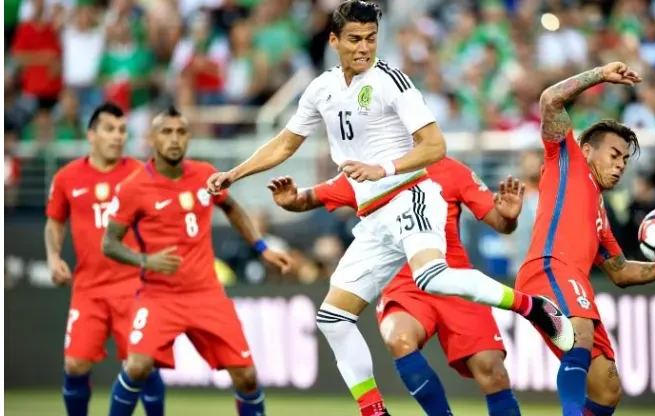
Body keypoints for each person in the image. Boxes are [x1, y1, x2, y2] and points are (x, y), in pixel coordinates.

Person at [207, 3, 574, 414]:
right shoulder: (321, 89)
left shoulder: (390, 80)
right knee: (332, 318)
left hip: (410, 195)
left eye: (371, 38)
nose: (364, 48)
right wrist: (235, 173)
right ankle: (374, 411)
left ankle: (531, 307)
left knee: (432, 276)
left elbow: (436, 145)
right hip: (375, 219)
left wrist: (382, 168)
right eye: (354, 39)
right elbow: (285, 143)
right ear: (334, 41)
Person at [516, 62, 655, 416]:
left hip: (573, 283)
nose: (620, 165)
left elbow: (621, 272)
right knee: (581, 334)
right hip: (548, 269)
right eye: (614, 155)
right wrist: (601, 75)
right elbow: (550, 100)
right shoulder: (567, 161)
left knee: (607, 389)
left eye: (625, 161)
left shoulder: (600, 216)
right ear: (588, 150)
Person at [267, 156, 527, 416]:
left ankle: (531, 310)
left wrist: (508, 218)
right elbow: (308, 198)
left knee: (493, 371)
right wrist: (290, 200)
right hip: (404, 285)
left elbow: (500, 222)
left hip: (454, 279)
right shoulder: (364, 171)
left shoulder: (449, 168)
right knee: (400, 339)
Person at [102, 107, 292, 416]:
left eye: (181, 132)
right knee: (137, 367)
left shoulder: (205, 174)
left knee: (247, 377)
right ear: (152, 138)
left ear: (189, 137)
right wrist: (145, 260)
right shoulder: (133, 188)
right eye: (166, 132)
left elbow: (231, 207)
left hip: (206, 294)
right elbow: (109, 243)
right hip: (159, 296)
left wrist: (262, 247)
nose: (174, 139)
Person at [45, 102, 166, 416]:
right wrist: (53, 257)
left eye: (122, 130)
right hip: (88, 289)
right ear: (91, 134)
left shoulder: (141, 174)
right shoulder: (67, 178)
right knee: (75, 364)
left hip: (135, 287)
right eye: (109, 129)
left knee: (143, 365)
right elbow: (55, 222)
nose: (117, 136)